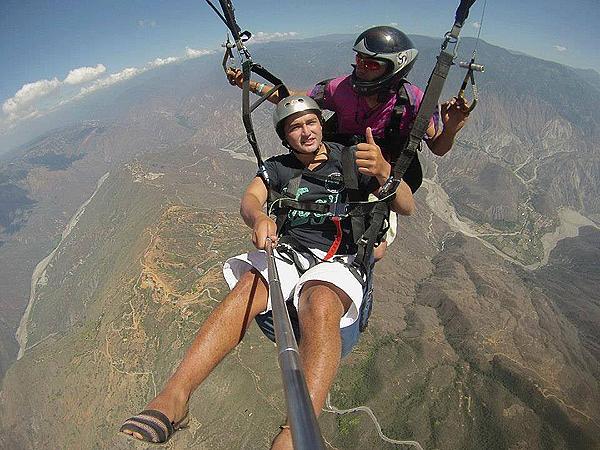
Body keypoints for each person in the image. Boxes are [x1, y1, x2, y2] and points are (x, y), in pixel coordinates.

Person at [119, 95, 415, 449]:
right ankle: (175, 396)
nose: (306, 132)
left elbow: (406, 205)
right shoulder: (278, 169)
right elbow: (250, 198)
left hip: (342, 256)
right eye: (295, 127)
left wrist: (384, 172)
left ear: (321, 123)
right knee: (250, 284)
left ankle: (293, 433)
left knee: (319, 301)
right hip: (292, 249)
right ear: (285, 136)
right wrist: (259, 217)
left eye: (311, 123)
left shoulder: (350, 157)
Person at [227, 25, 471, 259]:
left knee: (374, 248)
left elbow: (438, 147)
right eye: (359, 60)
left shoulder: (413, 101)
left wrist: (451, 128)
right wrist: (250, 85)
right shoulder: (341, 88)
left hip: (380, 175)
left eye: (371, 63)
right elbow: (298, 103)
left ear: (394, 68)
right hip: (339, 165)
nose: (361, 68)